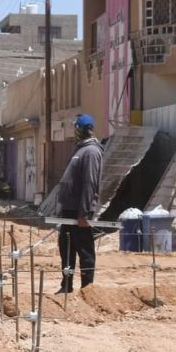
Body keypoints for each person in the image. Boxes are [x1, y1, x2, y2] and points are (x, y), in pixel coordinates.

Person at [56, 113, 104, 294]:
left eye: (76, 128)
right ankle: (66, 285)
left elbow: (90, 183)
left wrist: (84, 212)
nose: (75, 132)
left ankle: (87, 289)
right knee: (66, 248)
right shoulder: (80, 149)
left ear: (84, 129)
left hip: (80, 211)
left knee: (84, 250)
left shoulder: (91, 151)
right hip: (69, 210)